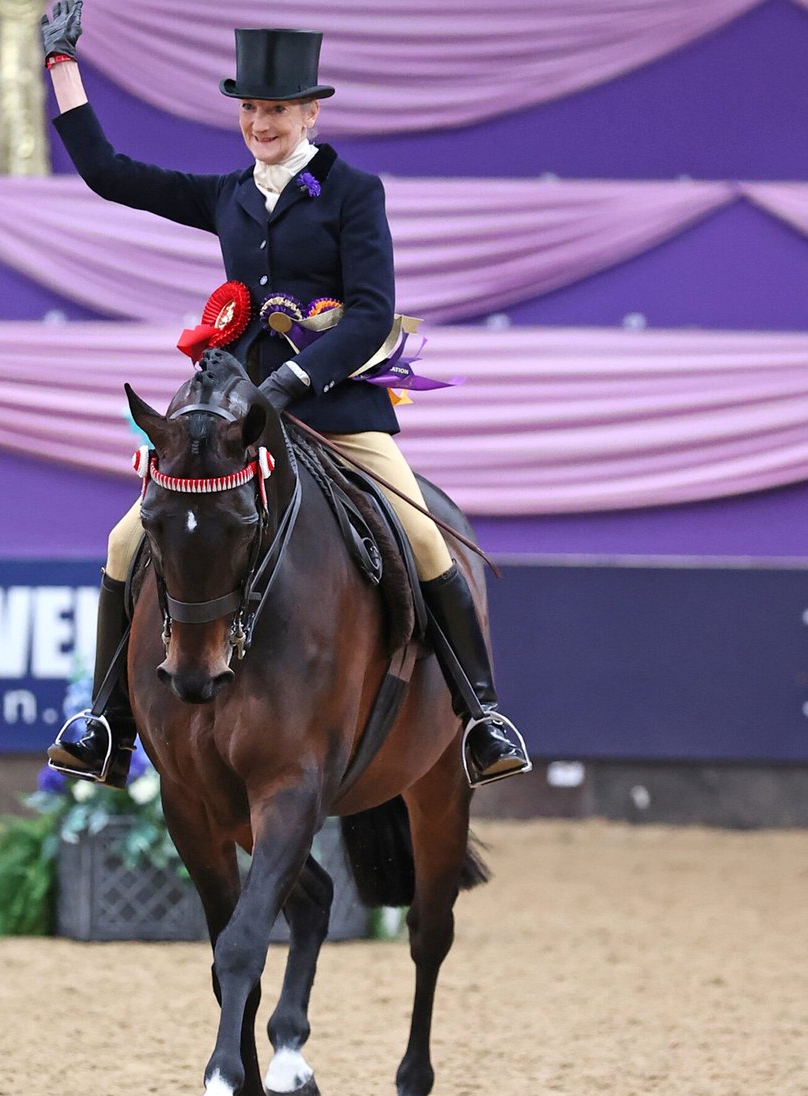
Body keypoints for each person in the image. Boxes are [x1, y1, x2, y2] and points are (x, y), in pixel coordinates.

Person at [41, 2, 530, 788]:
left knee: (424, 536)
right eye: (250, 110)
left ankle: (481, 717)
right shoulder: (228, 194)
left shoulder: (352, 193)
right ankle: (105, 723)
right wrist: (63, 69)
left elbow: (369, 311)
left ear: (309, 113)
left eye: (275, 110)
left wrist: (297, 377)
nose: (260, 124)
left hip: (334, 412)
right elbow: (108, 172)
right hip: (239, 425)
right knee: (125, 542)